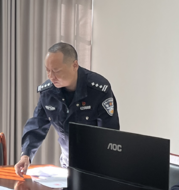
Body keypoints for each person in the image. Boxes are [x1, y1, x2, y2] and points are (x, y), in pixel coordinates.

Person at [15, 42, 119, 174]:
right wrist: (26, 155)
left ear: (75, 65)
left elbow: (109, 133)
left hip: (96, 164)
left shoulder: (98, 90)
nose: (51, 76)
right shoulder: (48, 92)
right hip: (67, 163)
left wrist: (105, 169)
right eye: (48, 70)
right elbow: (37, 124)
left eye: (56, 71)